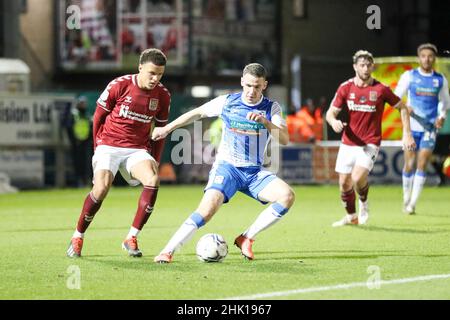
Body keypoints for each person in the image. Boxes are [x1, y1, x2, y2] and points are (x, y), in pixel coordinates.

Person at [152, 63, 295, 263]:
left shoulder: (272, 108)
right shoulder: (227, 102)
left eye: (257, 86)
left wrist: (265, 122)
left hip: (253, 173)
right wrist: (167, 128)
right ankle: (167, 251)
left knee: (287, 196)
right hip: (228, 168)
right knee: (207, 210)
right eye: (248, 85)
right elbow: (197, 113)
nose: (252, 91)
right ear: (242, 82)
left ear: (265, 85)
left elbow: (285, 139)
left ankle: (247, 237)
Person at [66, 48, 171, 258]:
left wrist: (156, 160)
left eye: (159, 74)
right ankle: (78, 236)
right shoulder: (120, 85)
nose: (155, 78)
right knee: (102, 188)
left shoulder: (162, 95)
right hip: (108, 145)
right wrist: (98, 149)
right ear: (140, 67)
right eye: (151, 73)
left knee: (153, 179)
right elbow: (98, 117)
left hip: (136, 150)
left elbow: (159, 132)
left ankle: (131, 237)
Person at [326, 50, 416, 227]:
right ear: (355, 67)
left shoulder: (381, 89)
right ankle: (351, 217)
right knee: (344, 183)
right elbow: (330, 113)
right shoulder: (345, 87)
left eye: (368, 65)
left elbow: (403, 108)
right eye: (362, 65)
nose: (366, 68)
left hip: (370, 142)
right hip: (348, 142)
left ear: (372, 66)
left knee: (357, 178)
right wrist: (333, 122)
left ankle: (364, 203)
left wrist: (407, 134)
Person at [395, 43, 450, 214]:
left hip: (429, 128)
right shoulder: (409, 76)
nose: (427, 59)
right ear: (419, 58)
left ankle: (412, 204)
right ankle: (406, 198)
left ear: (434, 59)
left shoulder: (440, 79)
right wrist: (404, 107)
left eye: (430, 56)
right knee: (409, 164)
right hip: (410, 128)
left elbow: (445, 102)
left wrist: (441, 117)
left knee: (422, 164)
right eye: (424, 56)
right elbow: (395, 97)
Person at [67, 96, 93, 187]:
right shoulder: (74, 114)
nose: (83, 105)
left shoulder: (87, 114)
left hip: (86, 142)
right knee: (77, 163)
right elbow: (69, 128)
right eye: (82, 103)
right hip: (76, 143)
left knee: (87, 163)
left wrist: (89, 139)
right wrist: (74, 140)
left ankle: (86, 181)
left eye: (84, 103)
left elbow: (90, 128)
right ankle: (77, 182)